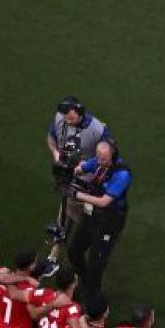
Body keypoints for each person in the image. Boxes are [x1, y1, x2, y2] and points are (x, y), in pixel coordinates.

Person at [46, 95, 111, 270]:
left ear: (80, 111)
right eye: (65, 115)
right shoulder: (61, 119)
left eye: (71, 116)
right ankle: (54, 256)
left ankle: (90, 253)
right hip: (68, 179)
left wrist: (85, 166)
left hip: (90, 186)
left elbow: (108, 157)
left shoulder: (98, 129)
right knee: (64, 213)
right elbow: (51, 138)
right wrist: (56, 155)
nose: (68, 119)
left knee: (87, 221)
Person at [68, 140, 131, 299]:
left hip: (110, 220)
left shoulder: (122, 174)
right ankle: (86, 280)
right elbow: (82, 167)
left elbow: (104, 201)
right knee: (74, 250)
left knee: (96, 264)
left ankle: (92, 300)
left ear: (113, 156)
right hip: (92, 214)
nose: (100, 162)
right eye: (98, 157)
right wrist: (72, 171)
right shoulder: (98, 161)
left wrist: (77, 194)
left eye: (104, 159)